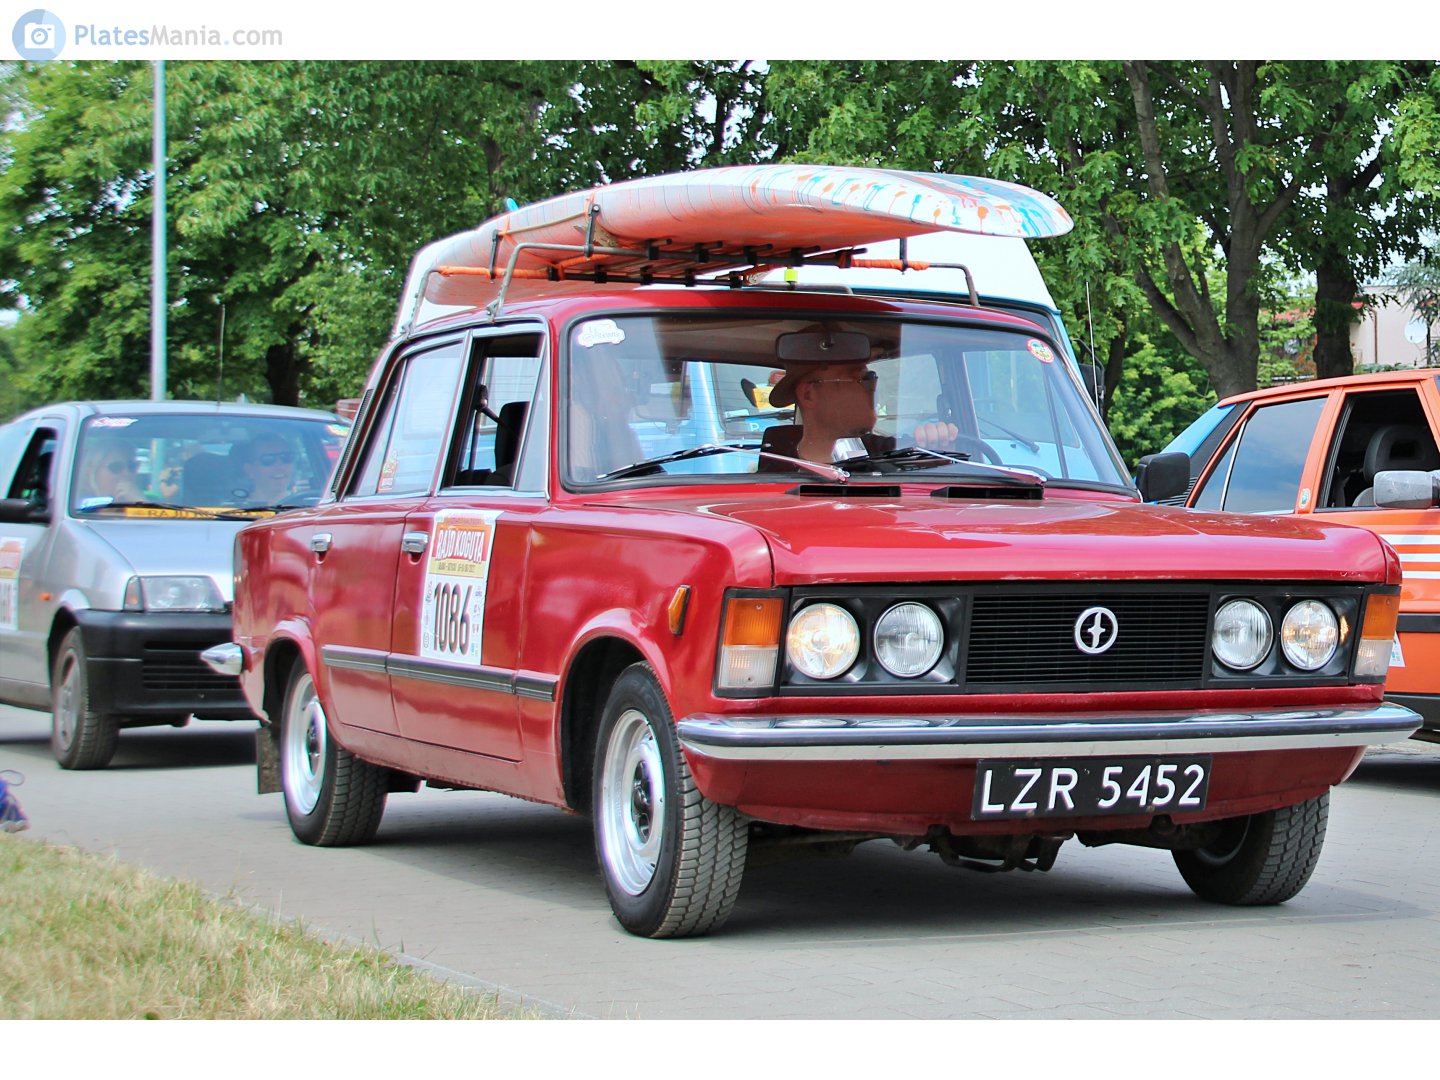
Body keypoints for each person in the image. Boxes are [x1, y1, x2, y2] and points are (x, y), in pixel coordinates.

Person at [767, 361, 880, 464]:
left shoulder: (892, 455)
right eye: (864, 378)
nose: (873, 386)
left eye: (872, 377)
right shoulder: (767, 479)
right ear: (808, 395)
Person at [78, 439, 143, 504]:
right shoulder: (75, 504)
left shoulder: (139, 498)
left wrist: (139, 501)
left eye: (132, 466)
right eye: (116, 467)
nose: (127, 473)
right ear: (90, 472)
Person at [239, 435, 298, 505]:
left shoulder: (309, 508)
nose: (280, 467)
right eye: (268, 460)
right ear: (249, 470)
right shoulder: (231, 511)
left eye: (286, 458)